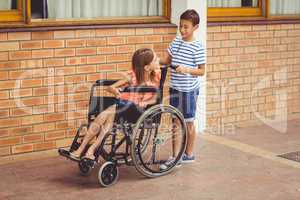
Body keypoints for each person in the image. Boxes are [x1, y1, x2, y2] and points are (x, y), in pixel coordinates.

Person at [69, 48, 161, 161]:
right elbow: (110, 87)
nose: (158, 60)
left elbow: (155, 99)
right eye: (156, 59)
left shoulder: (155, 77)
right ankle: (89, 150)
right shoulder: (132, 76)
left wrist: (145, 102)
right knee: (109, 115)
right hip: (123, 107)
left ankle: (83, 149)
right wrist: (115, 91)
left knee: (110, 111)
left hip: (137, 112)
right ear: (146, 67)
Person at [159, 9, 206, 163]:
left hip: (188, 91)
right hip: (174, 88)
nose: (182, 29)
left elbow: (202, 71)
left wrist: (186, 69)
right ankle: (175, 156)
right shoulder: (176, 41)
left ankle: (189, 154)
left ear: (195, 27)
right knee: (175, 121)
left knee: (188, 122)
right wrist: (153, 60)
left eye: (186, 27)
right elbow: (166, 61)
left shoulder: (197, 47)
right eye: (180, 26)